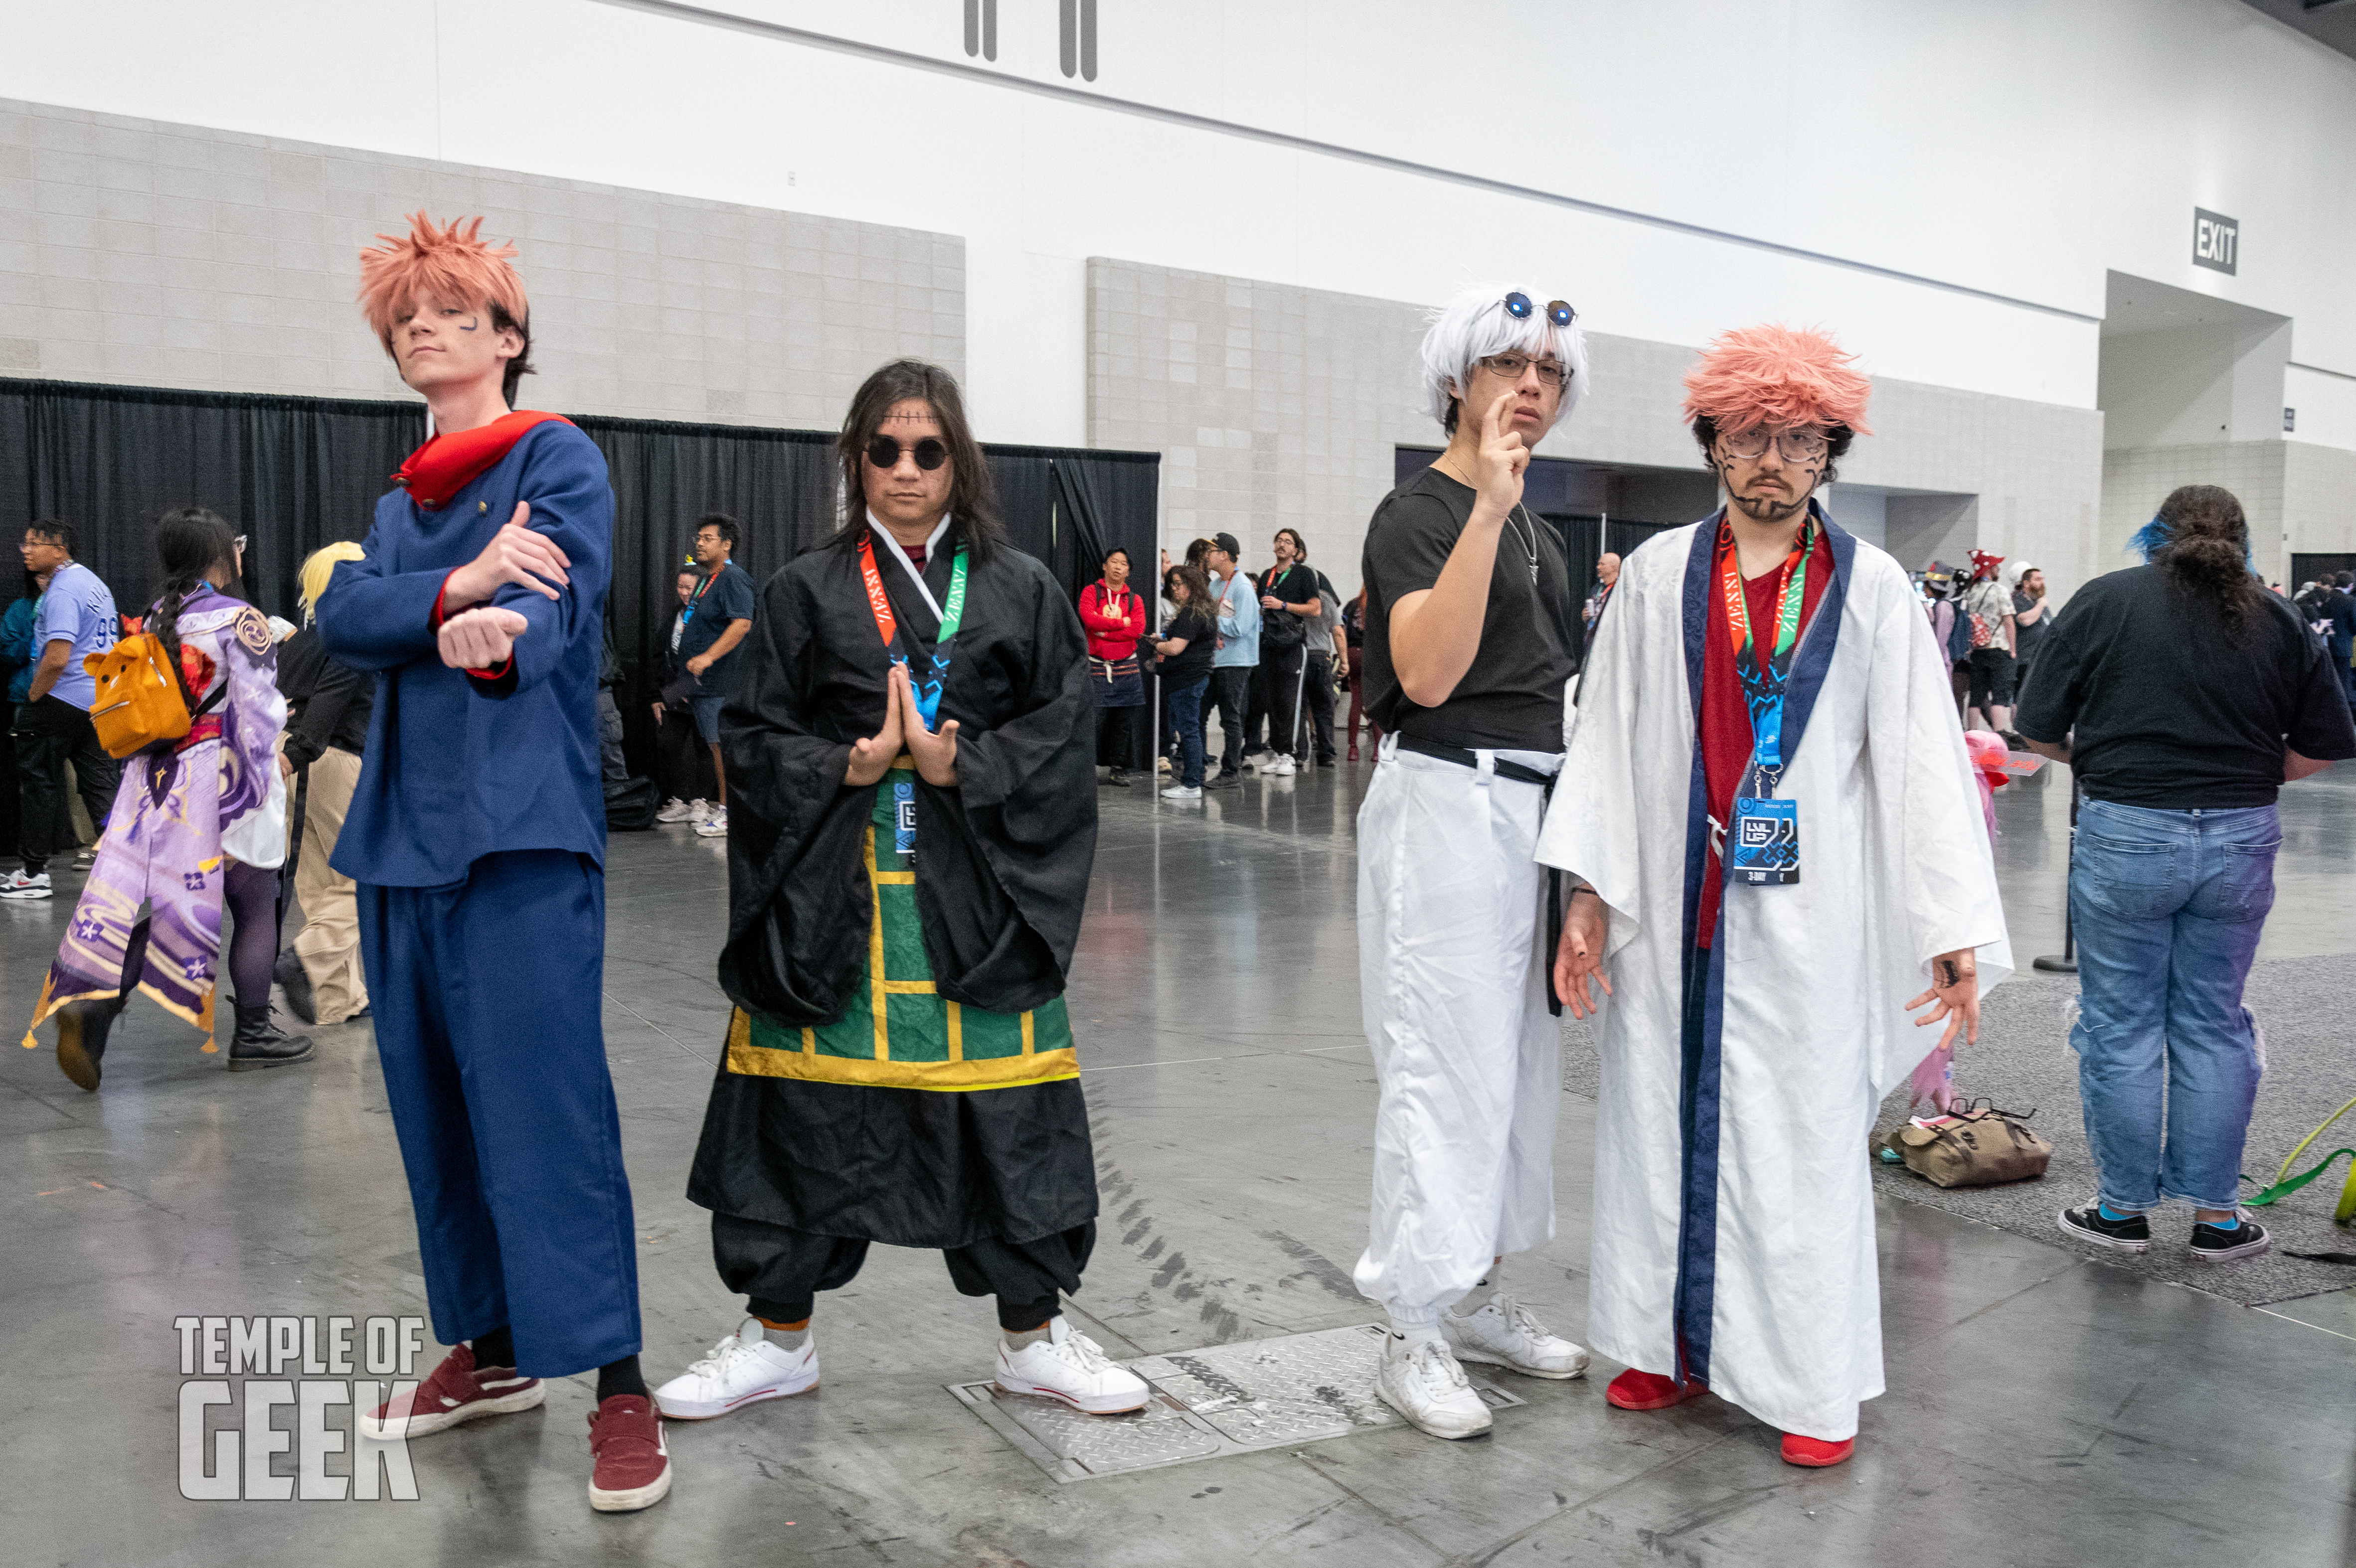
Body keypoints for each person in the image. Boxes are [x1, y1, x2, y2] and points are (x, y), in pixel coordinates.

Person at [1540, 322, 2010, 1469]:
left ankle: (1808, 1378)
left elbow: (1915, 757)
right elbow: (1606, 739)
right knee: (1656, 1119)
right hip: (1674, 900)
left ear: (1827, 450)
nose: (1771, 459)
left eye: (1798, 438)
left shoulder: (1873, 588)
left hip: (1805, 920)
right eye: (1750, 435)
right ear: (1712, 442)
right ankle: (1662, 1337)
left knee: (1797, 1141)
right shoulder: (1657, 577)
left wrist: (1949, 926)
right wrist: (1590, 895)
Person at [661, 357, 1147, 1427]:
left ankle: (1034, 1339)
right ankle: (775, 1338)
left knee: (1005, 1113)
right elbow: (749, 736)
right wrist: (849, 760)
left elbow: (1065, 728)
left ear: (957, 458)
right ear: (856, 458)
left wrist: (954, 767)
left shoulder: (1018, 586)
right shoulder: (801, 590)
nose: (905, 469)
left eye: (928, 450)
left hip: (975, 895)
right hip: (832, 895)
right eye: (883, 449)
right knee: (801, 1110)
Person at [324, 212, 665, 1513]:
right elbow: (345, 616)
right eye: (405, 314)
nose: (423, 328)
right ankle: (493, 1348)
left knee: (544, 1107)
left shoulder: (556, 457)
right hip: (404, 835)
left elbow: (557, 594)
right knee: (430, 1107)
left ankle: (619, 1383)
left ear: (507, 338)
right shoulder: (402, 499)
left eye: (453, 312)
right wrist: (454, 585)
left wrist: (494, 627)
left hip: (518, 828)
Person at [1354, 284, 1594, 1441]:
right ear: (1460, 378)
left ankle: (1481, 1287)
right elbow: (1429, 676)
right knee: (1440, 1061)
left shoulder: (1545, 532)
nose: (1532, 389)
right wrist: (1489, 513)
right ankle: (1411, 1317)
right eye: (1510, 365)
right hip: (1449, 797)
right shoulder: (1423, 514)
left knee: (1518, 1066)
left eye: (1549, 372)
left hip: (1535, 813)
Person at [2023, 486, 2355, 1265]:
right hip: (2241, 835)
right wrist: (2243, 775)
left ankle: (2121, 1210)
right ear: (2239, 543)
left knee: (2122, 1022)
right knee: (2213, 1019)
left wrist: (2102, 764)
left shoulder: (2104, 600)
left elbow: (2036, 729)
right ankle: (2217, 1217)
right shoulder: (2275, 616)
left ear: (2154, 537)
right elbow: (2321, 746)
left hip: (2126, 831)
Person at [22, 507, 309, 1084]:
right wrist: (255, 791)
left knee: (179, 902)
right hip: (224, 775)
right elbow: (256, 715)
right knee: (256, 905)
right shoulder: (242, 619)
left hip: (157, 781)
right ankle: (253, 1032)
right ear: (221, 553)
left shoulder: (155, 616)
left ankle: (98, 1005)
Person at [271, 542, 374, 1028]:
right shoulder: (351, 638)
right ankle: (306, 958)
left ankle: (339, 1001)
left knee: (320, 884)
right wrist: (303, 749)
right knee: (363, 882)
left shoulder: (296, 642)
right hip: (331, 759)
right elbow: (330, 706)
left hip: (291, 760)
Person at [2, 521, 122, 901]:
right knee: (99, 783)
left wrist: (34, 699)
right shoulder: (94, 584)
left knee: (38, 783)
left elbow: (57, 657)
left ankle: (34, 873)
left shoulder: (63, 591)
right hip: (97, 700)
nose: (26, 549)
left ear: (60, 549)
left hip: (61, 698)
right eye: (26, 543)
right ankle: (124, 866)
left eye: (36, 543)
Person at [682, 513, 756, 839]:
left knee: (722, 747)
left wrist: (709, 656)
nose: (699, 543)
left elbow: (742, 623)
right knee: (714, 746)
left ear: (726, 545)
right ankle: (726, 810)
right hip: (702, 685)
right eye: (698, 538)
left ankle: (730, 814)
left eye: (707, 538)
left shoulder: (733, 578)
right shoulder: (705, 579)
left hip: (723, 682)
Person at [654, 566, 721, 822]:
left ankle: (701, 802)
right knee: (668, 744)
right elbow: (661, 655)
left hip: (705, 692)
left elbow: (716, 656)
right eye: (680, 587)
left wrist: (689, 687)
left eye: (689, 588)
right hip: (675, 693)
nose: (684, 592)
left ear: (702, 588)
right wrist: (658, 696)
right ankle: (680, 800)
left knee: (706, 748)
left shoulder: (713, 616)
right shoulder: (675, 614)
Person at [1254, 530, 1322, 776]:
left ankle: (1292, 754)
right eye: (1279, 541)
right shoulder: (1266, 576)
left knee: (1290, 701)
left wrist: (1283, 605)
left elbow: (1315, 609)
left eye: (1288, 542)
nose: (1282, 545)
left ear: (1296, 550)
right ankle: (1279, 751)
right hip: (1269, 644)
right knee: (1272, 699)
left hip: (1293, 645)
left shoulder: (1304, 574)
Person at [1079, 546, 1148, 786]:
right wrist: (1122, 623)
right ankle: (1085, 768)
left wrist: (1105, 633)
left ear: (1129, 571)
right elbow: (1089, 619)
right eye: (1114, 562)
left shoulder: (1134, 599)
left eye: (1123, 564)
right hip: (1097, 665)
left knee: (1123, 722)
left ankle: (1118, 768)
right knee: (1094, 719)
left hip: (1127, 667)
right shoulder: (1091, 592)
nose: (1118, 567)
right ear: (1105, 566)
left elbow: (1137, 630)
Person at [1151, 562, 1215, 800]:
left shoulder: (1192, 612)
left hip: (1187, 680)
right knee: (1191, 730)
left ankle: (1191, 784)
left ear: (1193, 585)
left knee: (1189, 732)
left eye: (1179, 585)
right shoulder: (1198, 610)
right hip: (1190, 679)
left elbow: (1176, 648)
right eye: (1172, 585)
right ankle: (1193, 782)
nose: (1174, 589)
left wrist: (1157, 644)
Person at [1202, 532, 1260, 789]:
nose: (1207, 555)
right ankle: (1195, 763)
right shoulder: (1215, 585)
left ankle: (1230, 771)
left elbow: (1241, 627)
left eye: (1212, 551)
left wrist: (1212, 622)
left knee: (1230, 717)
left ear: (1224, 555)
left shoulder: (1243, 587)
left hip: (1236, 661)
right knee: (1199, 712)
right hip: (1215, 660)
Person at [1288, 534, 1344, 768]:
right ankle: (1327, 753)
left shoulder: (1292, 598)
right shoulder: (1327, 599)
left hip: (1298, 655)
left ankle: (1300, 753)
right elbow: (1338, 632)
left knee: (1298, 707)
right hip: (1321, 656)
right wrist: (1346, 661)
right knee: (1324, 706)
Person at [1959, 549, 2018, 739]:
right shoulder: (2000, 590)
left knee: (1976, 695)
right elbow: (2009, 621)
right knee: (1999, 694)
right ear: (1988, 568)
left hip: (1977, 651)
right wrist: (2014, 649)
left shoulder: (1971, 592)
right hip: (1999, 649)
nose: (1998, 568)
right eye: (1995, 565)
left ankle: (1972, 733)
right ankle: (1999, 733)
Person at [1342, 586, 1377, 762]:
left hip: (1353, 653)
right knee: (1377, 704)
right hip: (1373, 655)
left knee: (1356, 701)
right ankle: (1378, 751)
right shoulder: (1379, 603)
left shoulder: (1351, 605)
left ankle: (1353, 749)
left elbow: (1344, 628)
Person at [2009, 561, 2050, 704]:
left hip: (2040, 657)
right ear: (2025, 582)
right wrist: (2040, 605)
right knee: (2020, 698)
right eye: (2038, 580)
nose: (2042, 583)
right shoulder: (2018, 600)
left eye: (2042, 579)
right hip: (2025, 659)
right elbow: (2025, 620)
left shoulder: (2037, 601)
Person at [2331, 571, 2356, 709]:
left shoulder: (2326, 598)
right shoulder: (2350, 601)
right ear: (2350, 585)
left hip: (2326, 645)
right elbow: (2355, 625)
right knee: (2344, 681)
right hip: (2343, 647)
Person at [1583, 551, 1621, 635]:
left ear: (1613, 567)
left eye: (1602, 564)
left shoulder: (1620, 590)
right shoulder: (1596, 588)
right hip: (1591, 640)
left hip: (1608, 639)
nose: (1598, 567)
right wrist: (1586, 615)